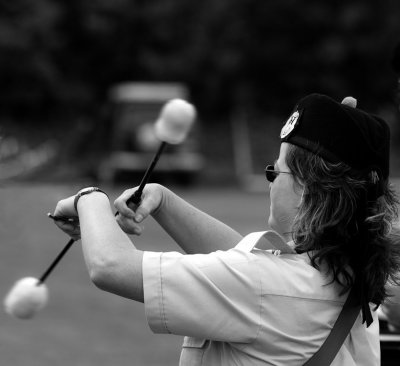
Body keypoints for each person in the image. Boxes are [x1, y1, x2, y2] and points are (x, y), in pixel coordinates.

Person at [52, 93, 400, 365]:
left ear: (309, 188)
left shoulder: (263, 287)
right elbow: (250, 272)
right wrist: (164, 202)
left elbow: (110, 266)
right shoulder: (351, 273)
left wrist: (90, 197)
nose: (269, 183)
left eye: (274, 172)